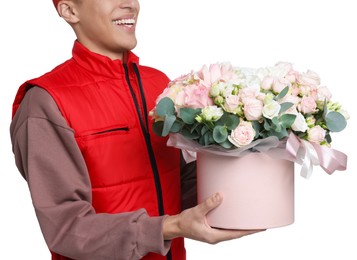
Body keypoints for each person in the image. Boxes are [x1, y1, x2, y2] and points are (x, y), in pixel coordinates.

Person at [10, 0, 264, 259]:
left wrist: (258, 146)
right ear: (70, 10)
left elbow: (182, 184)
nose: (130, 4)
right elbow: (66, 228)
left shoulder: (160, 86)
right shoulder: (47, 102)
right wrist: (169, 227)